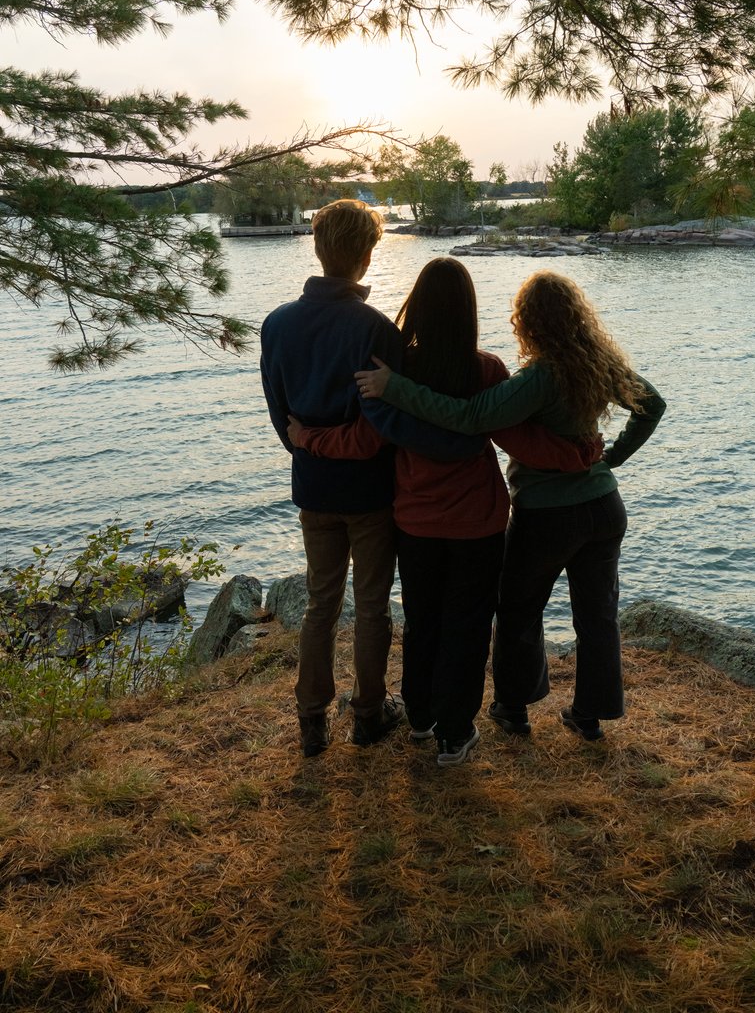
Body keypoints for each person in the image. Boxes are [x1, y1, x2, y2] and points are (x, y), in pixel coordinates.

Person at [288, 258, 602, 766]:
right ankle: (455, 734)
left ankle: (419, 718)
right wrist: (580, 454)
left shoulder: (394, 371)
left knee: (422, 620)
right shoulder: (487, 370)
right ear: (468, 311)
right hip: (477, 522)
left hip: (414, 519)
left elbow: (370, 439)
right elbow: (518, 439)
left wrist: (307, 439)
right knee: (468, 624)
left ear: (417, 306)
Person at [355, 269, 667, 742]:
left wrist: (394, 387)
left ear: (528, 320)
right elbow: (653, 405)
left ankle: (513, 708)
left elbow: (469, 417)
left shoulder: (538, 377)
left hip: (547, 515)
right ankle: (590, 714)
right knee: (598, 615)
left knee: (520, 610)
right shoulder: (600, 361)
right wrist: (611, 457)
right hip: (604, 507)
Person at [260, 200, 489, 758]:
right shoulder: (377, 330)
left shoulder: (276, 325)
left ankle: (311, 719)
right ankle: (367, 713)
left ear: (318, 247)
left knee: (320, 605)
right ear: (366, 256)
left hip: (312, 487)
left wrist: (308, 444)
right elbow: (383, 428)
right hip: (369, 493)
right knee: (371, 606)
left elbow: (280, 415)